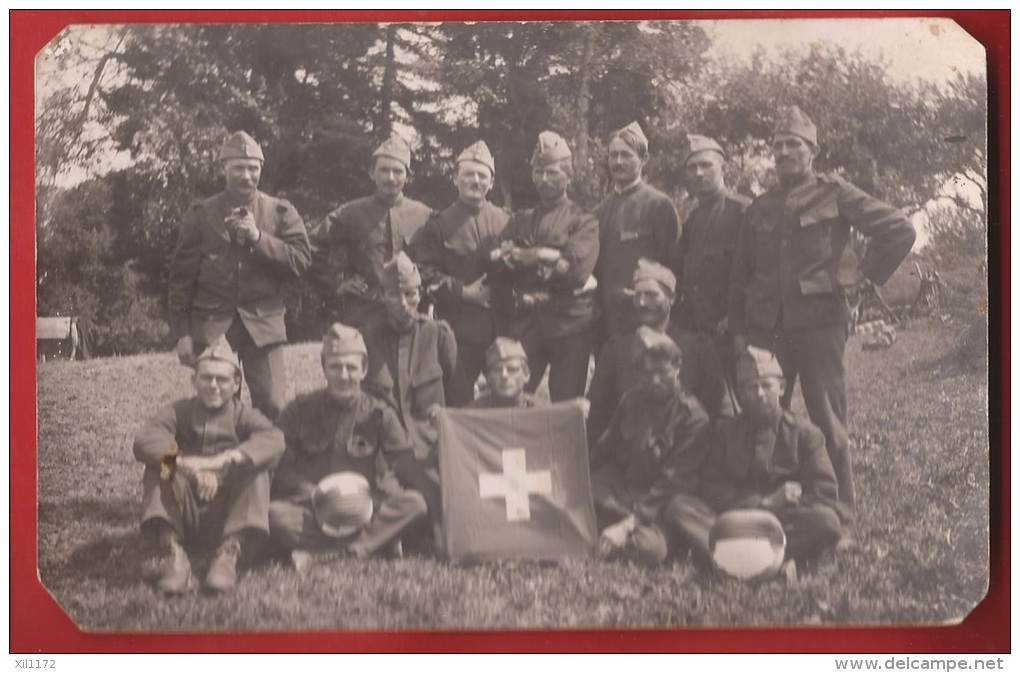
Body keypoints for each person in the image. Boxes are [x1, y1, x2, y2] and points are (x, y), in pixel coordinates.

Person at [729, 105, 916, 519]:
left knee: (829, 423)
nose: (782, 153)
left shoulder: (836, 192)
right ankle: (762, 505)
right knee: (762, 420)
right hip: (766, 333)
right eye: (776, 146)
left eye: (792, 145)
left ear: (812, 150)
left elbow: (900, 228)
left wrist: (862, 277)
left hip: (819, 326)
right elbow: (739, 276)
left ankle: (841, 515)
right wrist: (741, 334)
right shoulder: (760, 206)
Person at [269, 323, 440, 565]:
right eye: (335, 367)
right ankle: (374, 543)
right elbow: (280, 465)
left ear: (364, 370)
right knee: (275, 516)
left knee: (414, 505)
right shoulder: (300, 410)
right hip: (314, 508)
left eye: (351, 367)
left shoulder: (380, 413)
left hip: (366, 507)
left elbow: (404, 463)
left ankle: (337, 553)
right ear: (324, 368)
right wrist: (313, 493)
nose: (344, 376)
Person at [167, 131, 310, 421]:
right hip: (213, 325)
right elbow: (181, 280)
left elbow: (301, 261)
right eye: (238, 168)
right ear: (224, 169)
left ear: (261, 168)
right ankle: (223, 464)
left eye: (253, 168)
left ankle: (265, 465)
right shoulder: (201, 214)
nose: (246, 176)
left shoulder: (280, 212)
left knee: (272, 405)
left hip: (264, 324)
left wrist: (258, 237)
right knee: (217, 407)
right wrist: (183, 333)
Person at [665, 346, 843, 572]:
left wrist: (785, 507)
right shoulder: (724, 432)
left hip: (782, 525)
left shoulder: (806, 434)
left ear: (782, 387)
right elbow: (710, 486)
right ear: (740, 394)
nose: (759, 394)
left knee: (826, 521)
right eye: (752, 388)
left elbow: (824, 493)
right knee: (679, 507)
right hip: (731, 521)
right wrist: (764, 503)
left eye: (766, 385)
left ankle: (731, 561)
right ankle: (775, 563)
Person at [133, 337, 285, 594]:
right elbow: (146, 439)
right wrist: (182, 463)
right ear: (194, 381)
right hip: (184, 513)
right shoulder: (178, 410)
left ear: (236, 383)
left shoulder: (243, 415)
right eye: (206, 378)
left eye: (222, 379)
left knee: (256, 469)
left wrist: (224, 460)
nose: (213, 386)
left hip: (230, 516)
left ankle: (228, 555)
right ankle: (174, 554)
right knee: (161, 467)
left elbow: (274, 439)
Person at [488, 130, 599, 402]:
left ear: (568, 175)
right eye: (538, 172)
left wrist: (531, 254)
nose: (544, 180)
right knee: (512, 397)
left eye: (551, 172)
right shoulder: (521, 220)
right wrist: (549, 257)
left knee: (566, 406)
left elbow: (575, 271)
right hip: (528, 323)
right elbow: (497, 262)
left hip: (569, 327)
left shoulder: (583, 220)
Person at [591, 327, 711, 566]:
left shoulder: (693, 417)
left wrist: (627, 525)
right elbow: (606, 448)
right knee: (581, 495)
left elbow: (674, 485)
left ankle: (655, 538)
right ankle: (608, 531)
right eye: (647, 373)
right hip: (625, 491)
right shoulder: (632, 399)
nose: (655, 380)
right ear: (637, 373)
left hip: (660, 504)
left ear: (678, 369)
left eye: (663, 373)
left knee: (649, 551)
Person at [410, 141, 510, 406]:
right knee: (459, 407)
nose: (475, 180)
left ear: (492, 181)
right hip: (460, 336)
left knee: (507, 408)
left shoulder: (507, 221)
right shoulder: (439, 225)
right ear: (455, 178)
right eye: (468, 174)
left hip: (504, 333)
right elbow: (423, 274)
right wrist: (464, 292)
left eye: (482, 175)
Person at [587, 258, 730, 444]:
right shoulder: (616, 350)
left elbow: (722, 414)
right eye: (637, 295)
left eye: (651, 295)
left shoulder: (699, 349)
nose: (642, 303)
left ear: (672, 298)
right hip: (630, 457)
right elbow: (595, 415)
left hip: (686, 456)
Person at [309, 133, 434, 331]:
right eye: (384, 170)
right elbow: (310, 249)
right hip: (366, 315)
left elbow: (442, 261)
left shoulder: (425, 215)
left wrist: (426, 291)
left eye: (397, 171)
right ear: (371, 172)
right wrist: (336, 284)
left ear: (408, 176)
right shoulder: (350, 213)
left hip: (412, 314)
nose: (390, 178)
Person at [362, 251, 457, 466]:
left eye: (409, 294)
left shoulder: (438, 335)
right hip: (381, 452)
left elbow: (454, 395)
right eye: (395, 295)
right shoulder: (367, 340)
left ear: (420, 295)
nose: (403, 303)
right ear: (382, 295)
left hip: (429, 450)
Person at [592, 121, 680, 347]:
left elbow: (673, 268)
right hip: (607, 328)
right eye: (613, 155)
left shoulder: (659, 206)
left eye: (626, 155)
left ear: (644, 159)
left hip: (646, 323)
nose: (618, 162)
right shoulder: (598, 213)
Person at [674, 134, 750, 385]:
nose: (698, 173)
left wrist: (736, 320)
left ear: (723, 168)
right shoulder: (693, 219)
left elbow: (759, 274)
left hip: (734, 333)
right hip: (702, 335)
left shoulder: (742, 211)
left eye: (706, 165)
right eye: (692, 167)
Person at [467, 337, 542, 409]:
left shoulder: (542, 411)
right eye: (497, 370)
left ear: (526, 375)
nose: (504, 375)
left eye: (512, 370)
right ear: (488, 377)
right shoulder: (471, 413)